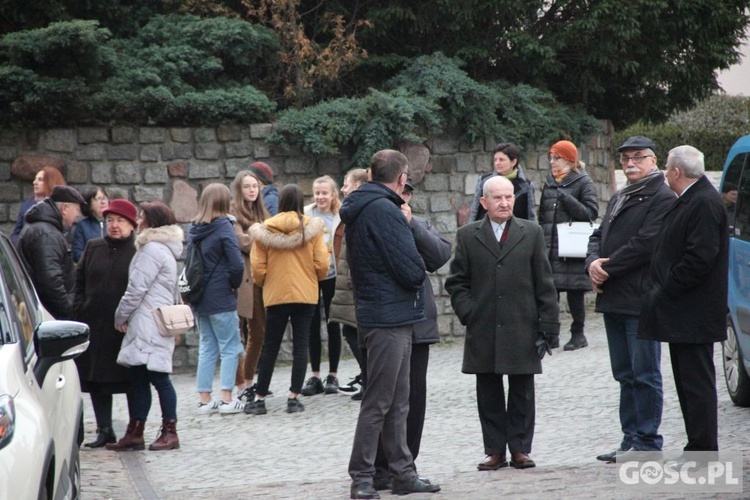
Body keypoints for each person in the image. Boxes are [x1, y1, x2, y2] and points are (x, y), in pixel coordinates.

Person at [342, 149, 439, 499]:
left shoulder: (367, 205)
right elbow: (413, 270)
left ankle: (402, 473)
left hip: (387, 315)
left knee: (398, 401)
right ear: (401, 178)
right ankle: (362, 478)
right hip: (388, 317)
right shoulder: (384, 209)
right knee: (379, 402)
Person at [446, 176, 559, 473]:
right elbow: (457, 282)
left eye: (508, 197)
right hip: (484, 326)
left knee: (522, 388)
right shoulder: (469, 235)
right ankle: (494, 450)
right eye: (497, 198)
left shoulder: (531, 232)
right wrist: (470, 313)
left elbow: (545, 283)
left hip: (523, 323)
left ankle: (520, 447)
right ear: (484, 202)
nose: (505, 203)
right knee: (488, 389)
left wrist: (548, 325)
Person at [585, 136, 676, 463]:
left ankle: (648, 442)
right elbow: (598, 235)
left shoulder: (661, 197)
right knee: (624, 373)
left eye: (638, 157)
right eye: (625, 159)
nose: (630, 164)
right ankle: (630, 439)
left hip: (641, 299)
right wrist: (591, 263)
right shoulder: (621, 195)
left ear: (654, 160)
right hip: (614, 299)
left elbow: (646, 244)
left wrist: (606, 269)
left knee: (644, 373)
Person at [638, 145, 729, 452]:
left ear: (676, 172)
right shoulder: (692, 198)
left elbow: (700, 258)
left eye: (666, 167)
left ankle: (703, 449)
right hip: (684, 314)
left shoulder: (703, 202)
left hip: (694, 312)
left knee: (697, 385)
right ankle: (697, 446)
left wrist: (667, 288)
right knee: (688, 385)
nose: (664, 171)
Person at [372, 179, 451, 490]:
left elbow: (440, 254)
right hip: (386, 322)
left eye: (406, 193)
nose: (402, 197)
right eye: (399, 191)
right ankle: (380, 467)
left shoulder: (419, 223)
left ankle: (406, 465)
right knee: (383, 398)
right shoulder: (374, 220)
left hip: (418, 323)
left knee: (414, 400)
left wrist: (412, 225)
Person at [244, 184, 330, 415]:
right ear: (301, 202)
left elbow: (257, 268)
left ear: (280, 202)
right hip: (306, 293)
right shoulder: (312, 229)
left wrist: (265, 282)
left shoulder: (265, 231)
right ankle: (293, 398)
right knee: (301, 345)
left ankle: (260, 398)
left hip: (276, 294)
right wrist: (314, 278)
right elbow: (322, 264)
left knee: (270, 346)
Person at [108, 202, 184, 452]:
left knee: (159, 378)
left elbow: (136, 289)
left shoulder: (151, 249)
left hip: (148, 322)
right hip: (153, 320)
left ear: (152, 222)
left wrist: (120, 316)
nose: (139, 220)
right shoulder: (165, 249)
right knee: (140, 377)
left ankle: (169, 433)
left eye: (142, 217)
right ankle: (136, 432)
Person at [74, 198, 138, 448]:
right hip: (94, 323)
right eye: (110, 220)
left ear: (132, 224)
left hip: (123, 329)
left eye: (120, 221)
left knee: (130, 380)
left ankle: (135, 428)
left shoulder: (137, 252)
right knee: (97, 380)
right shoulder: (93, 247)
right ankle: (104, 429)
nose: (114, 225)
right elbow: (78, 281)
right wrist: (79, 308)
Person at [189, 183, 246, 415]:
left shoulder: (194, 228)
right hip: (221, 295)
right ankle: (226, 398)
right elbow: (237, 264)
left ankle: (204, 399)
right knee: (230, 346)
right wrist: (232, 285)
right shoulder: (224, 227)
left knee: (207, 347)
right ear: (225, 201)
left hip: (200, 297)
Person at [538, 140, 598, 350]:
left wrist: (567, 198)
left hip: (572, 247)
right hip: (549, 246)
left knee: (574, 292)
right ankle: (550, 335)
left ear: (570, 160)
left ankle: (578, 334)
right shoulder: (549, 183)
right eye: (551, 158)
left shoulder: (583, 182)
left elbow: (591, 213)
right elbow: (542, 217)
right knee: (549, 293)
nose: (552, 162)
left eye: (557, 158)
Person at [229, 171, 270, 403]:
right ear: (239, 189)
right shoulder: (233, 214)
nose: (252, 190)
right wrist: (264, 234)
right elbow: (242, 242)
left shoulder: (263, 213)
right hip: (240, 280)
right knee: (237, 334)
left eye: (255, 186)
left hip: (260, 278)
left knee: (259, 332)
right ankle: (239, 384)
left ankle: (249, 380)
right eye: (247, 187)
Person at [16, 185, 85, 320]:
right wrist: (68, 312)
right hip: (48, 315)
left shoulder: (44, 229)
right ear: (64, 208)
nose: (77, 215)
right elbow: (51, 283)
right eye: (76, 209)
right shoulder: (47, 234)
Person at [301, 175, 343, 396]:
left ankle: (333, 374)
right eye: (317, 193)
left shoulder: (340, 215)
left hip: (333, 275)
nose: (320, 197)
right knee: (311, 324)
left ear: (333, 194)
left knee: (333, 323)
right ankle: (315, 374)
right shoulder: (306, 214)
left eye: (325, 193)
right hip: (310, 275)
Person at [330, 168, 369, 400]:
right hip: (347, 284)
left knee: (356, 333)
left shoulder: (358, 213)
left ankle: (369, 380)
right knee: (352, 331)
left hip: (354, 286)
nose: (343, 188)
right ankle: (367, 379)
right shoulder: (352, 211)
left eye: (346, 183)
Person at [470, 142, 535, 222]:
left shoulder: (526, 185)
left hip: (516, 230)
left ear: (513, 162)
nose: (497, 163)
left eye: (501, 160)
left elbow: (530, 215)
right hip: (487, 229)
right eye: (495, 160)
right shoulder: (484, 181)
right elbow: (475, 210)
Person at [11, 166, 66, 245]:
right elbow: (16, 233)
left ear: (50, 182)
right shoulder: (27, 206)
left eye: (40, 180)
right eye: (35, 179)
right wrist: (21, 245)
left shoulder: (60, 207)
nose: (34, 182)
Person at [71, 186, 110, 262]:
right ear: (89, 204)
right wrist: (95, 258)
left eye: (104, 198)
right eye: (99, 199)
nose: (103, 202)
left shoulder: (114, 223)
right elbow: (76, 253)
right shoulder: (82, 226)